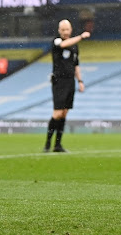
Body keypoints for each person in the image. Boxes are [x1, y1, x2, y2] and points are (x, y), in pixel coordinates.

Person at [43, 19, 90, 153]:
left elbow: (76, 65)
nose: (65, 32)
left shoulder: (75, 47)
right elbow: (63, 44)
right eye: (62, 30)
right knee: (57, 113)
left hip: (70, 81)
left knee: (64, 113)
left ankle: (58, 145)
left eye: (67, 29)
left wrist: (80, 81)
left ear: (71, 30)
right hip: (59, 81)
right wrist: (81, 37)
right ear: (59, 31)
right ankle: (48, 142)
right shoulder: (56, 41)